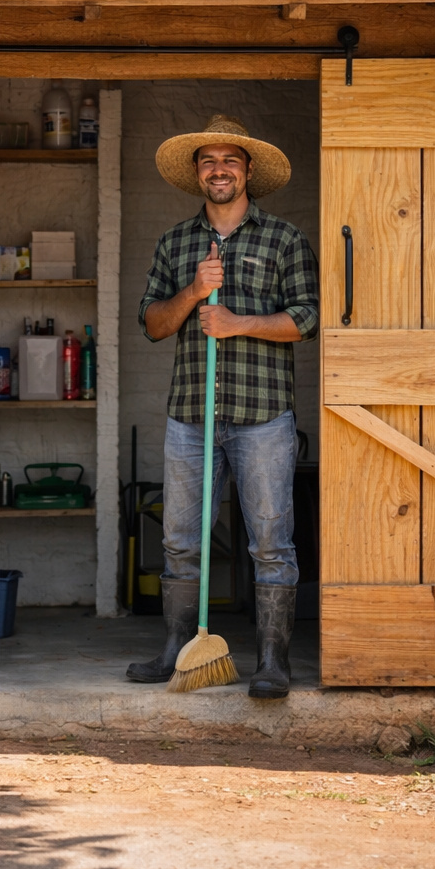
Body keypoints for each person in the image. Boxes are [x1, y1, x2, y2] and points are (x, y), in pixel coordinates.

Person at [128, 114, 318, 699]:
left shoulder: (284, 239)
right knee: (180, 541)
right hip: (192, 415)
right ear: (196, 173)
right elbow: (152, 324)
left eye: (230, 160)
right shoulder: (175, 243)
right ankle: (177, 651)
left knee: (271, 544)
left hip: (263, 416)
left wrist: (238, 323)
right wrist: (193, 290)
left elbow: (306, 318)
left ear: (248, 170)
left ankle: (272, 662)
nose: (219, 169)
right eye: (208, 160)